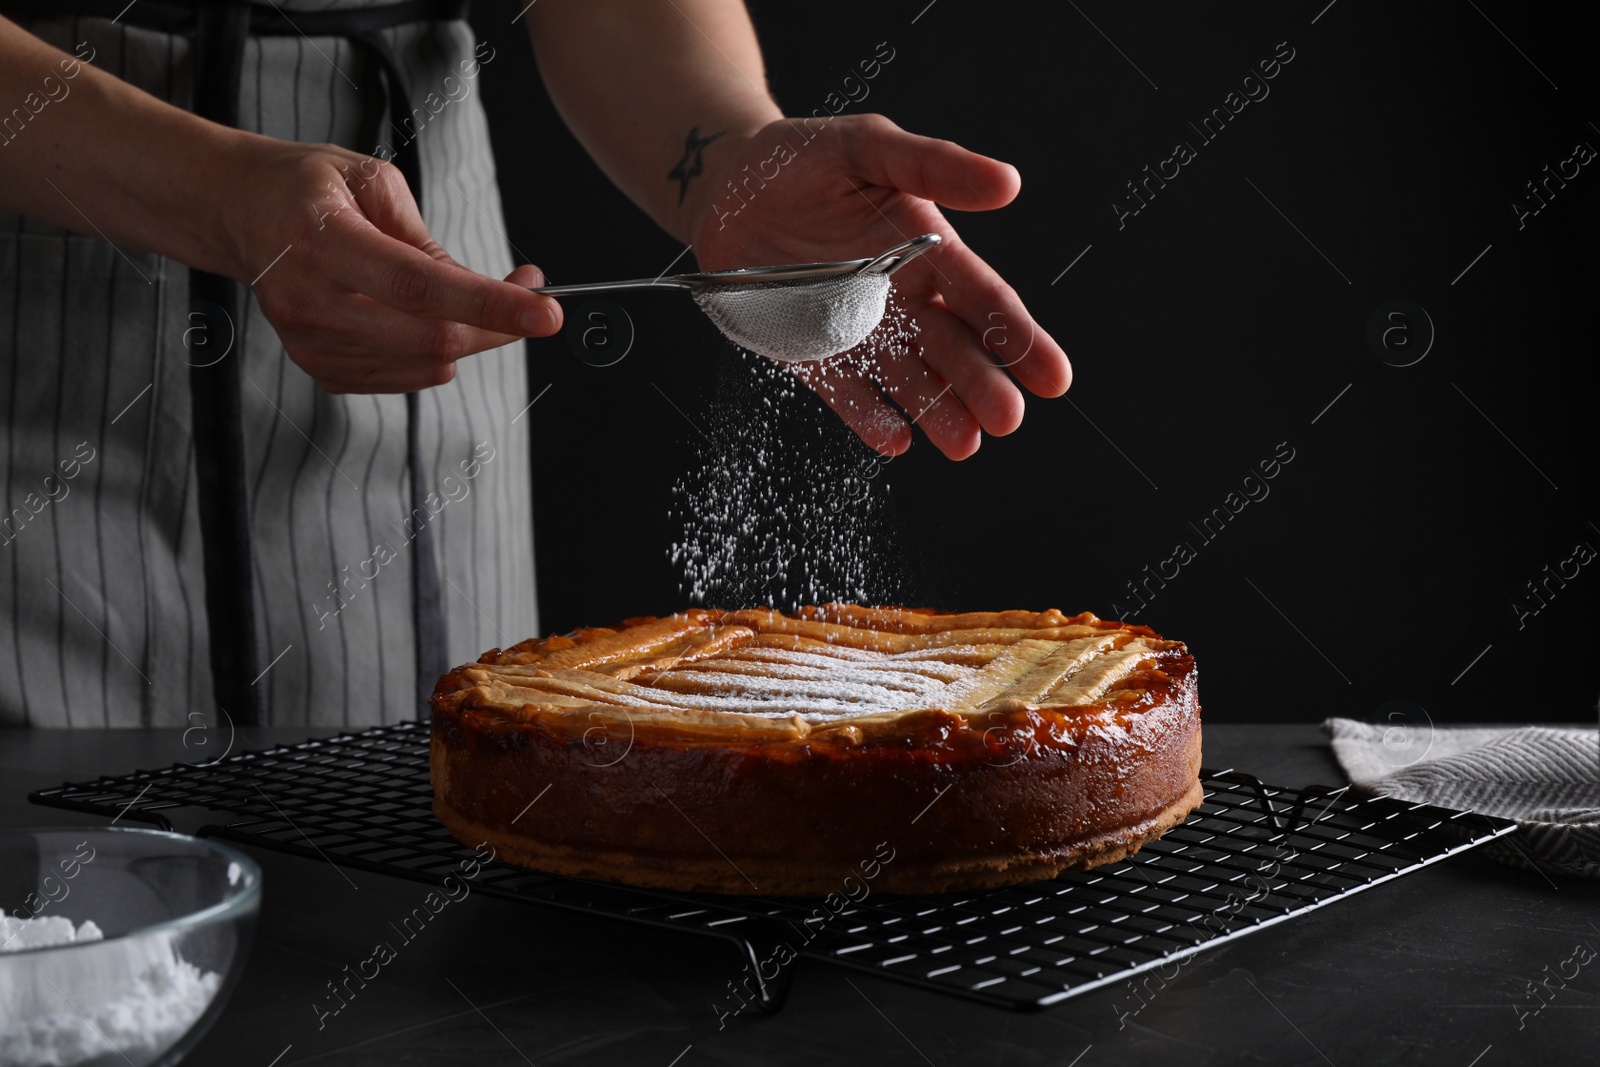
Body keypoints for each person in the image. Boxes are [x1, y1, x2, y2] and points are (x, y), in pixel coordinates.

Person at [0, 0, 1069, 730]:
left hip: (411, 244)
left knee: (422, 916)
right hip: (41, 236)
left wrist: (726, 151)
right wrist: (214, 191)